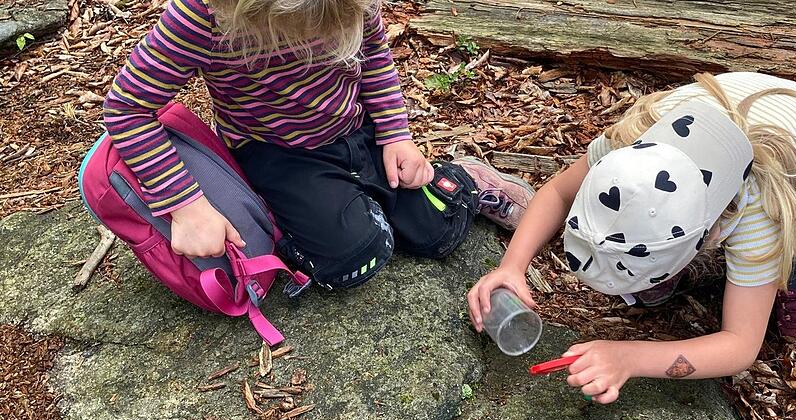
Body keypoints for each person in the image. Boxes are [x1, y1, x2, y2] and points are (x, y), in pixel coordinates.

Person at [467, 72, 796, 404]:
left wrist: (629, 357)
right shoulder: (634, 144)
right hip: (745, 118)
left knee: (791, 248)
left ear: (705, 229)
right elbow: (559, 191)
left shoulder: (763, 210)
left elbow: (740, 346)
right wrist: (512, 266)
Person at [102, 0, 534, 290]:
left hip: (356, 129)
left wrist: (395, 133)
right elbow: (127, 108)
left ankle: (463, 178)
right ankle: (327, 209)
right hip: (276, 150)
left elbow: (374, 55)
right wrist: (187, 206)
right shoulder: (203, 15)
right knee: (351, 260)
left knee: (436, 232)